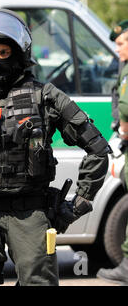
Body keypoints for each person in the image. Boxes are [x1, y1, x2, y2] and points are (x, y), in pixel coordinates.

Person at [0, 9, 111, 286]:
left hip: (30, 214)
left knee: (39, 283)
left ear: (18, 53)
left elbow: (97, 149)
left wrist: (79, 204)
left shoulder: (45, 97)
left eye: (3, 52)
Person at [96, 20, 128, 285]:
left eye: (121, 44)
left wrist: (124, 127)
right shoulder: (124, 67)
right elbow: (118, 97)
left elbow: (125, 103)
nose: (117, 50)